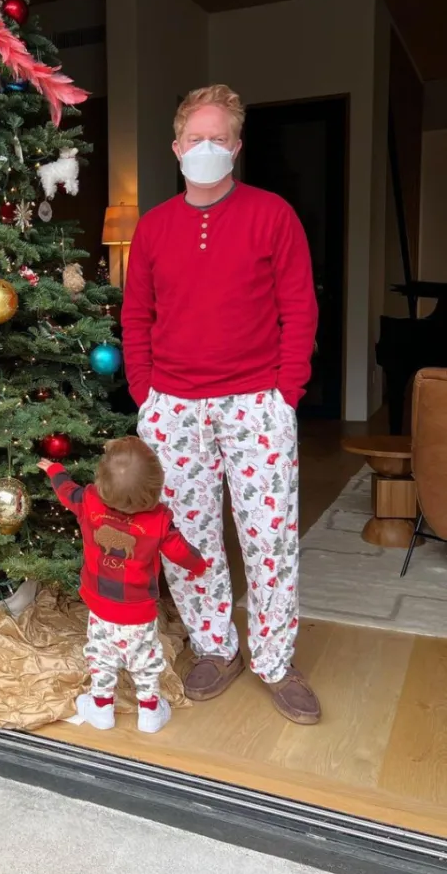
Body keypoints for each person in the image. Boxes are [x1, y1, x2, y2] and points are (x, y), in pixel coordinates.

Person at [121, 83, 319, 725]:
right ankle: (214, 647)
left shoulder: (273, 215)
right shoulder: (152, 228)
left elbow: (300, 308)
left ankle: (275, 660)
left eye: (219, 139)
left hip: (256, 403)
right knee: (189, 535)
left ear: (236, 146)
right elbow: (136, 316)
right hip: (173, 406)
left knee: (269, 539)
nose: (206, 149)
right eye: (195, 139)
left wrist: (285, 395)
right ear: (176, 147)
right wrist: (145, 393)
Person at [39, 438, 206, 734]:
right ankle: (150, 713)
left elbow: (67, 492)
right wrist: (200, 565)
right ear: (156, 488)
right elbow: (180, 551)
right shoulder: (158, 521)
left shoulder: (88, 502)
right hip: (139, 611)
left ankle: (102, 708)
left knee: (101, 656)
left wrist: (56, 471)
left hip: (100, 604)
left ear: (100, 482)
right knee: (144, 660)